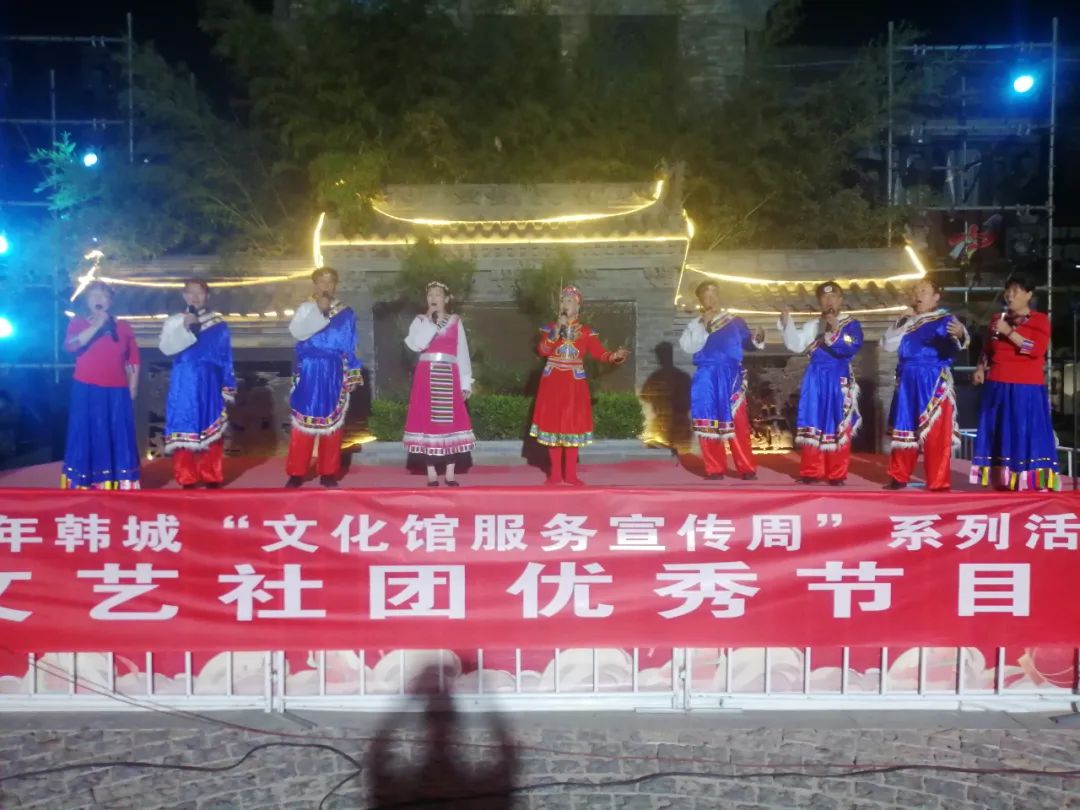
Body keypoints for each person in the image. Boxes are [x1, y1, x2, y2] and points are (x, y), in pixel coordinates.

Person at [530, 285, 630, 485]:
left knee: (572, 425)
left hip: (574, 384)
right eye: (562, 301)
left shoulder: (586, 332)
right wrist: (556, 331)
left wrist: (615, 356)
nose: (564, 304)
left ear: (578, 306)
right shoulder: (550, 328)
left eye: (569, 300)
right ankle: (555, 474)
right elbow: (542, 351)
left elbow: (600, 354)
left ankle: (570, 474)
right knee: (553, 424)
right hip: (552, 382)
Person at [969, 273, 1059, 491]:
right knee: (1000, 431)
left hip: (1026, 386)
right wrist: (980, 367)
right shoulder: (998, 319)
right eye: (1008, 291)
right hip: (997, 383)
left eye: (1016, 291)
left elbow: (1035, 349)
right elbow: (988, 349)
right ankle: (1003, 480)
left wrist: (1009, 332)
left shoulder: (1039, 320)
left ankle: (1032, 480)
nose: (1010, 295)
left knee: (1025, 431)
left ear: (1028, 295)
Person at [881, 279, 969, 491]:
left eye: (923, 291)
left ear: (936, 297)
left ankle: (938, 480)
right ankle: (899, 475)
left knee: (936, 431)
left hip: (933, 379)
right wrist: (901, 321)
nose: (918, 294)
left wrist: (960, 334)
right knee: (905, 427)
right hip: (907, 380)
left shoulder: (945, 319)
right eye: (916, 290)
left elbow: (960, 341)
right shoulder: (908, 321)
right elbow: (888, 345)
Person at [778, 281, 863, 485]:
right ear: (819, 301)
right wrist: (787, 323)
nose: (829, 301)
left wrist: (836, 329)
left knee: (838, 421)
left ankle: (836, 473)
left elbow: (853, 344)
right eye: (824, 298)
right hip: (815, 377)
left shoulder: (851, 324)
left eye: (833, 297)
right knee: (812, 420)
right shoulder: (812, 325)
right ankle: (811, 471)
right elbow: (797, 344)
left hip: (838, 377)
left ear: (841, 300)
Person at [285, 267, 363, 488]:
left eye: (331, 281)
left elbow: (350, 344)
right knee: (303, 420)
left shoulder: (346, 312)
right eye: (322, 281)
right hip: (309, 368)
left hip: (334, 369)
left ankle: (328, 471)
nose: (326, 286)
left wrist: (352, 373)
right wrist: (320, 311)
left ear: (336, 285)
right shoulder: (305, 308)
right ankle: (296, 472)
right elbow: (297, 333)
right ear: (315, 284)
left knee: (333, 422)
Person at [678, 280, 764, 480]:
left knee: (738, 422)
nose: (711, 299)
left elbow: (748, 343)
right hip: (706, 375)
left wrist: (757, 338)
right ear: (700, 300)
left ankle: (746, 468)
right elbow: (689, 347)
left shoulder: (735, 321)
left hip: (731, 375)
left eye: (714, 294)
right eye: (706, 296)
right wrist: (703, 326)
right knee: (708, 421)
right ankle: (714, 468)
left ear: (719, 296)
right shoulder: (695, 324)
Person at [61, 281, 141, 489]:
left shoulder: (122, 327)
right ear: (87, 301)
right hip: (86, 388)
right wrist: (96, 326)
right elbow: (71, 346)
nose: (98, 299)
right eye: (94, 295)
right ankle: (86, 480)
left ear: (110, 301)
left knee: (118, 434)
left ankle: (119, 480)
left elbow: (133, 359)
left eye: (103, 295)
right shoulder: (78, 323)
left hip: (117, 390)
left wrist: (133, 387)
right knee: (87, 432)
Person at [158, 279, 236, 489]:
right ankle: (186, 476)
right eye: (190, 293)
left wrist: (227, 383)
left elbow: (225, 355)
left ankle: (211, 474)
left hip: (210, 380)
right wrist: (185, 327)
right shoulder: (174, 321)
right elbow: (166, 348)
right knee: (184, 423)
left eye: (199, 293)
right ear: (184, 296)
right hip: (184, 381)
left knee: (212, 424)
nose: (195, 297)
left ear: (207, 295)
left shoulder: (218, 323)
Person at [403, 281, 476, 487]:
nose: (433, 298)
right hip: (426, 375)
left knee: (450, 421)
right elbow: (417, 345)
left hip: (449, 375)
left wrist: (465, 382)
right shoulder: (419, 321)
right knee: (427, 419)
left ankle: (450, 472)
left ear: (446, 299)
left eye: (438, 295)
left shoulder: (455, 321)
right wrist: (429, 321)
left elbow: (462, 352)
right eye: (430, 295)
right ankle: (431, 472)